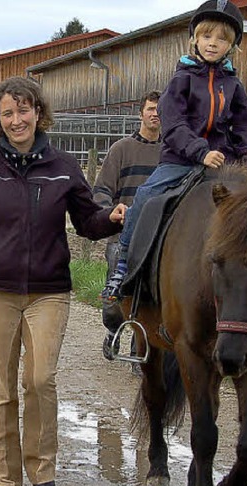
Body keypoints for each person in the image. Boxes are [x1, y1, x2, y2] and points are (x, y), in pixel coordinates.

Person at [0, 77, 126, 486]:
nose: (17, 120)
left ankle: (43, 471)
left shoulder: (62, 165)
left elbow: (86, 222)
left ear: (38, 113)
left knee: (40, 380)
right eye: (8, 113)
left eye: (24, 110)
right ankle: (2, 480)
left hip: (49, 292)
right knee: (0, 387)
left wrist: (111, 218)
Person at [102, 0, 247, 303]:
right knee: (146, 197)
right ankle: (123, 267)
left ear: (232, 46)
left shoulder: (235, 86)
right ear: (195, 40)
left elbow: (245, 127)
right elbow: (173, 124)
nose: (213, 43)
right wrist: (200, 151)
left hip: (224, 163)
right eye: (207, 36)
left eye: (222, 39)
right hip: (181, 160)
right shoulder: (181, 80)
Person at [93, 91, 161, 359]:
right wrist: (111, 212)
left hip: (156, 236)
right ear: (141, 113)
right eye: (151, 109)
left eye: (160, 110)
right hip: (123, 236)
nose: (156, 114)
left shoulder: (171, 154)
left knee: (151, 296)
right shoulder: (121, 150)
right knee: (115, 294)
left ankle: (140, 347)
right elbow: (101, 190)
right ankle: (112, 329)